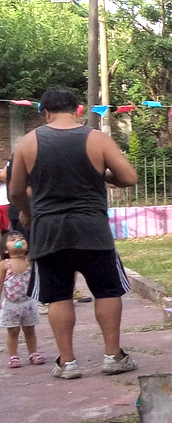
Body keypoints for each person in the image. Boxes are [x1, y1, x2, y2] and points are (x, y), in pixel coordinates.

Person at [8, 87, 139, 380]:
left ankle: (67, 363)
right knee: (107, 290)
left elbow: (15, 192)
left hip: (49, 232)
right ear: (78, 109)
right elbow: (129, 177)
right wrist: (103, 175)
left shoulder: (28, 142)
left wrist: (29, 211)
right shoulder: (97, 139)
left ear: (45, 112)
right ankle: (113, 356)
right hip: (92, 229)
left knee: (58, 296)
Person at [2, 231, 44, 368]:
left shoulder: (29, 260)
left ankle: (33, 353)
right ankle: (13, 356)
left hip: (29, 303)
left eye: (21, 238)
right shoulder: (5, 264)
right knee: (12, 332)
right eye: (13, 239)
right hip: (11, 305)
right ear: (5, 250)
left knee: (30, 330)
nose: (18, 241)